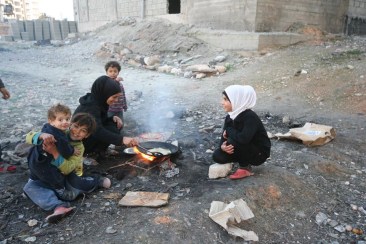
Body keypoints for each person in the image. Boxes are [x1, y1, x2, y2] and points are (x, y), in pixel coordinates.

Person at [23, 112, 111, 223]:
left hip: (64, 177)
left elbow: (68, 169)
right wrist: (41, 135)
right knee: (29, 187)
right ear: (70, 124)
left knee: (75, 188)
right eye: (76, 126)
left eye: (83, 130)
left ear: (87, 135)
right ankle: (59, 207)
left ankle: (97, 181)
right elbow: (28, 137)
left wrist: (54, 152)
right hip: (47, 176)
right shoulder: (59, 132)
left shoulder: (78, 148)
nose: (77, 132)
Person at [212, 85, 271, 179]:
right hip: (242, 146)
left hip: (259, 153)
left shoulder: (250, 117)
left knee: (233, 140)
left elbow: (243, 138)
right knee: (217, 156)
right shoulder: (230, 117)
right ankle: (241, 159)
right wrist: (223, 148)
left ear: (237, 100)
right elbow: (223, 139)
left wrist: (228, 131)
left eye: (226, 99)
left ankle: (245, 168)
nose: (222, 102)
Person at [73, 75, 138, 158]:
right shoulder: (91, 107)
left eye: (118, 97)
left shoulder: (99, 101)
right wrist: (122, 140)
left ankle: (99, 150)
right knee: (111, 131)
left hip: (89, 133)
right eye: (114, 97)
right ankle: (89, 154)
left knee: (113, 124)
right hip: (80, 141)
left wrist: (111, 118)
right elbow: (97, 130)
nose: (116, 100)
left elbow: (98, 121)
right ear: (105, 93)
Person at [105, 61, 128, 127]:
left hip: (119, 109)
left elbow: (123, 95)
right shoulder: (106, 82)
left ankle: (119, 135)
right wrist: (116, 81)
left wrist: (124, 105)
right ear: (107, 72)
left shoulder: (120, 84)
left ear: (118, 72)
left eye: (115, 71)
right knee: (109, 123)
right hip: (110, 109)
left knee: (120, 124)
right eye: (110, 71)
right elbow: (110, 88)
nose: (113, 73)